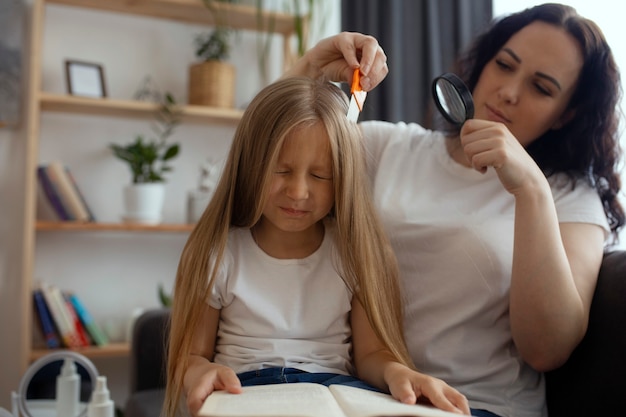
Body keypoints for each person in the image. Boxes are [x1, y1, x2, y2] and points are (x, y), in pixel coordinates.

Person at [281, 3, 625, 417]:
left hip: (473, 407)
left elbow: (546, 349)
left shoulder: (570, 196)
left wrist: (531, 190)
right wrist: (310, 68)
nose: (509, 91)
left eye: (542, 88)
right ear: (482, 66)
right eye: (504, 65)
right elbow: (259, 170)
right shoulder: (388, 148)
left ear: (565, 114)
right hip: (359, 394)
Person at [162, 77, 470, 417]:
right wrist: (199, 372)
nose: (297, 192)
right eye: (281, 170)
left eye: (320, 176)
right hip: (244, 389)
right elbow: (189, 356)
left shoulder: (357, 253)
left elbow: (370, 355)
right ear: (249, 166)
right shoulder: (218, 252)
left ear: (344, 178)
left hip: (336, 392)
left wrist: (399, 373)